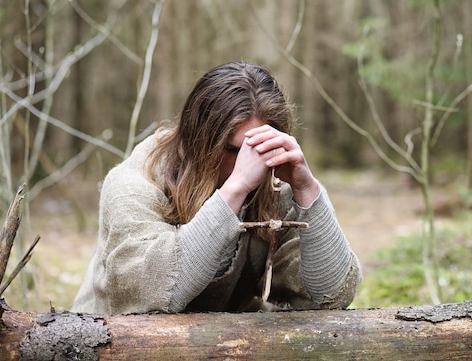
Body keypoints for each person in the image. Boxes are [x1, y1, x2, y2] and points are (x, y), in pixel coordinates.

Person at [72, 62, 361, 314]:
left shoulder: (279, 185)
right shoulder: (135, 182)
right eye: (236, 150)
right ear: (197, 140)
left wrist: (307, 189)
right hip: (111, 345)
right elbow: (152, 294)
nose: (253, 164)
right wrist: (235, 190)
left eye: (262, 149)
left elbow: (329, 297)